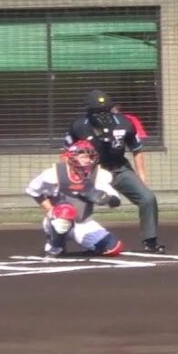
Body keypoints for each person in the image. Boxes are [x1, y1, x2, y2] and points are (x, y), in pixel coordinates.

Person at [66, 89, 165, 254]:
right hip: (91, 172)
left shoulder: (124, 123)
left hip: (119, 168)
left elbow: (137, 150)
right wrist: (73, 176)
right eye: (97, 111)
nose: (102, 115)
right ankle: (61, 242)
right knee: (74, 206)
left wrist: (141, 176)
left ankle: (151, 241)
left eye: (105, 110)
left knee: (147, 198)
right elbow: (66, 153)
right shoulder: (79, 126)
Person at [26, 139, 125, 258]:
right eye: (83, 157)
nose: (88, 160)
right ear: (72, 158)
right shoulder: (55, 173)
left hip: (83, 222)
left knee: (113, 248)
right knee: (65, 211)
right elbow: (33, 190)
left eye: (90, 157)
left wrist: (105, 198)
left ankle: (89, 245)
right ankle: (55, 246)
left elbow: (116, 200)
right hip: (57, 220)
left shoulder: (97, 175)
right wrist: (51, 210)